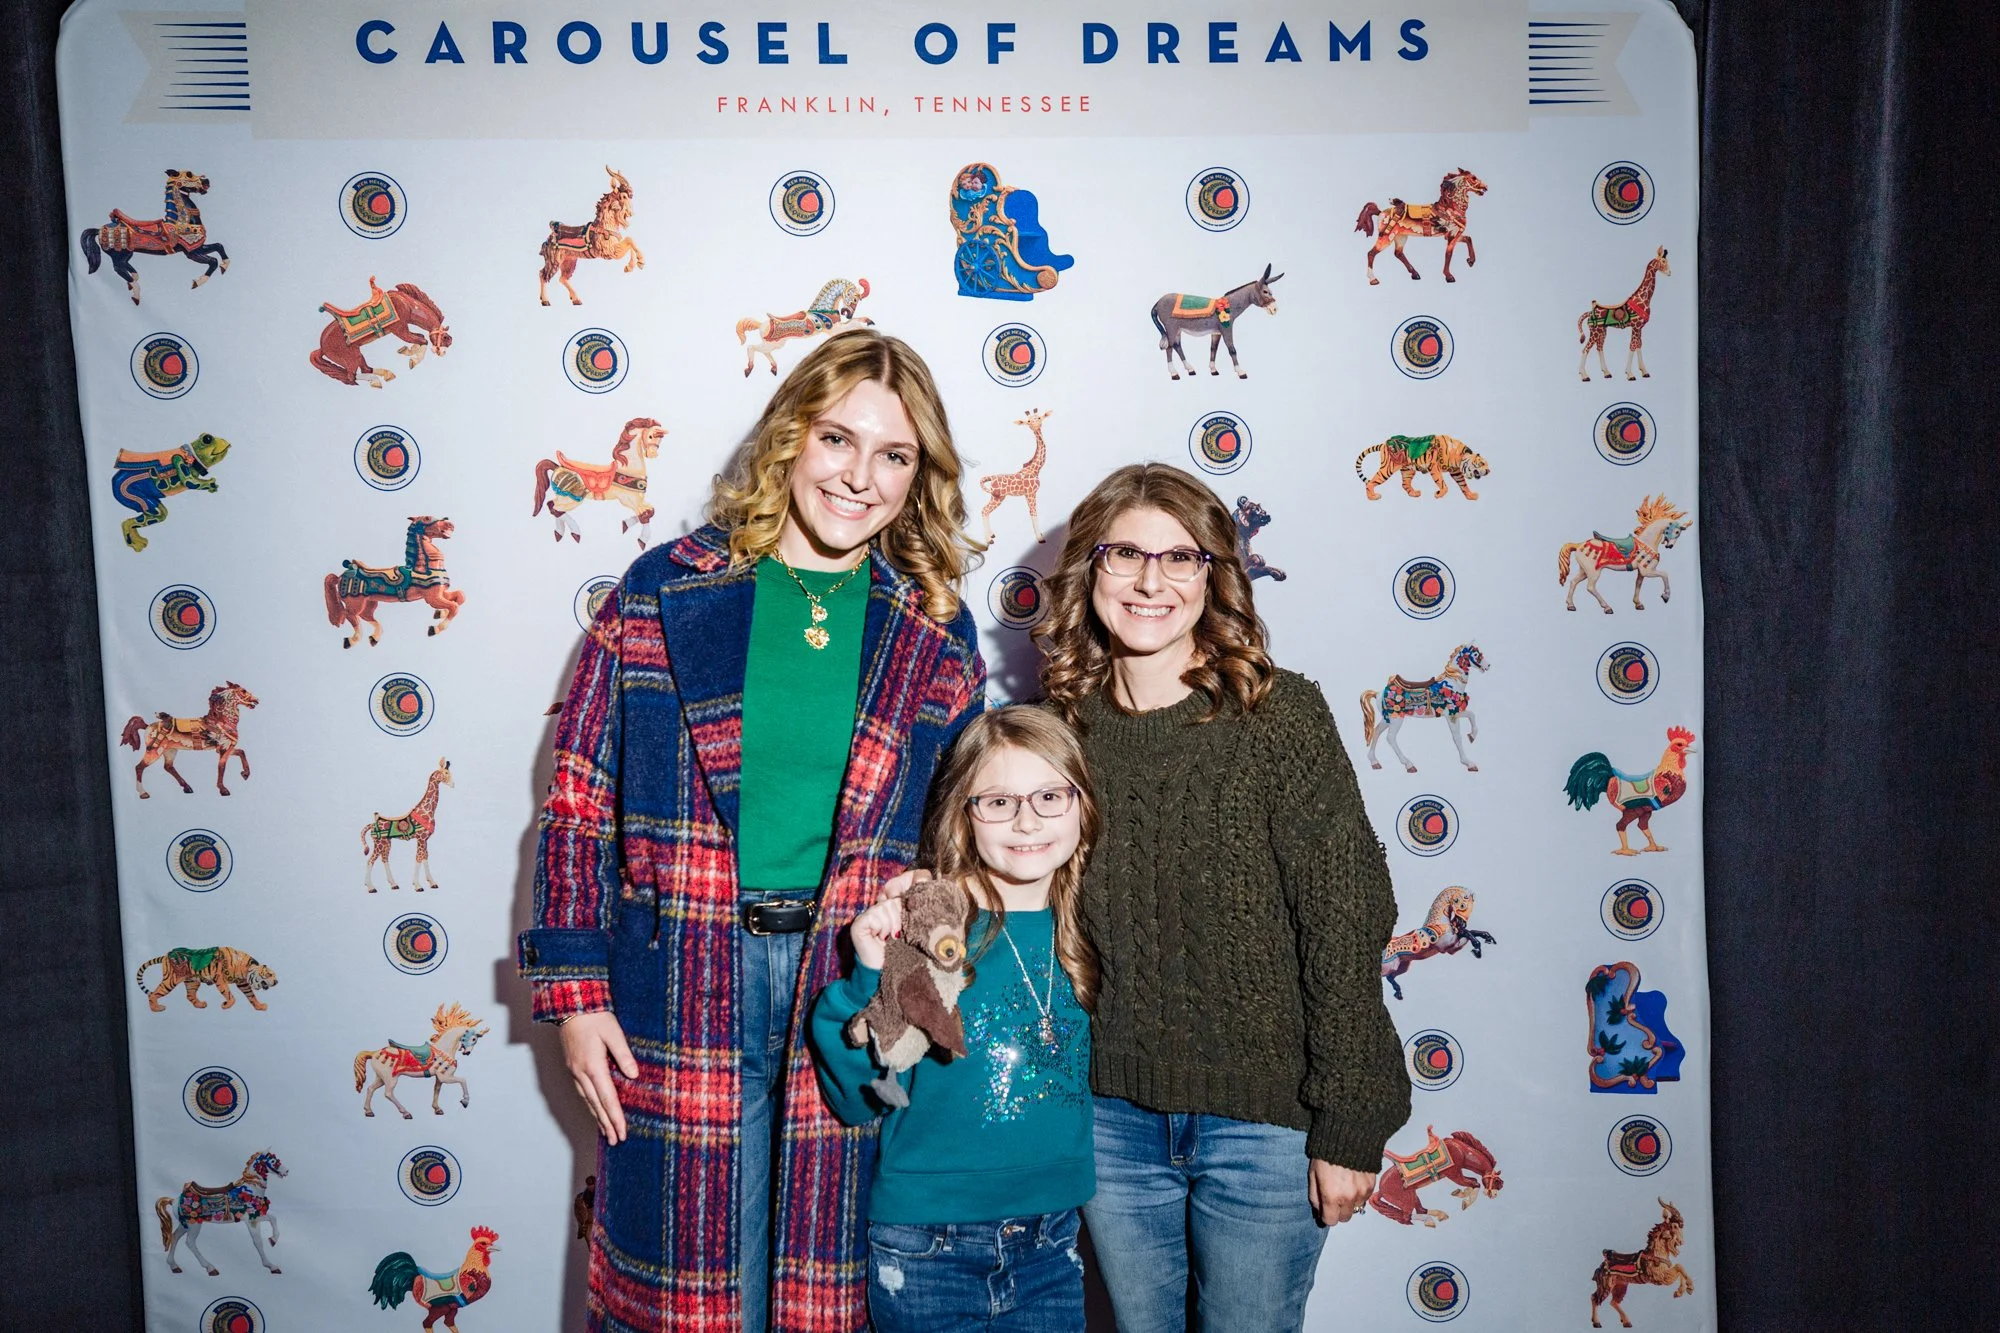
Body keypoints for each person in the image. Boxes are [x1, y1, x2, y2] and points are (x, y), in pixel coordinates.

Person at [516, 328, 986, 1332]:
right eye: (837, 439)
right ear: (790, 436)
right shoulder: (665, 586)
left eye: (893, 455)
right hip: (682, 973)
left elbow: (952, 844)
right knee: (685, 1285)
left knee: (829, 1286)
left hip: (852, 976)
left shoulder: (933, 623)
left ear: (920, 476)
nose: (858, 476)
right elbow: (577, 799)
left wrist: (910, 1000)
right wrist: (576, 995)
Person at [1035, 462, 1410, 1332]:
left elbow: (1345, 920)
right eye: (1125, 554)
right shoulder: (1056, 734)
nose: (1151, 581)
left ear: (1215, 576)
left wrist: (1350, 1118)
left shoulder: (1278, 716)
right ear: (1089, 569)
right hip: (1110, 1120)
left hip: (1265, 1126)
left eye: (1181, 557)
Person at [808, 706, 1100, 1333]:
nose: (1027, 821)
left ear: (1083, 804)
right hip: (927, 1249)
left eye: (1050, 796)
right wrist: (868, 975)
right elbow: (859, 1097)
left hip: (1051, 1244)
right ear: (964, 814)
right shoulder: (931, 927)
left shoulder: (1093, 928)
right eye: (998, 802)